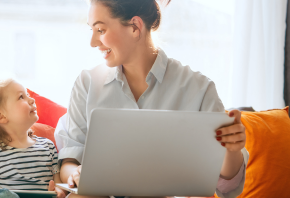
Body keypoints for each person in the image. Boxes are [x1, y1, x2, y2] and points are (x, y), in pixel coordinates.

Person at [55, 0, 249, 198]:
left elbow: (226, 186)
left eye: (100, 30)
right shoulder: (87, 84)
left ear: (135, 27)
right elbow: (69, 160)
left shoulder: (199, 89)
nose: (93, 42)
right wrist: (78, 174)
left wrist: (232, 149)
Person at [0, 78, 67, 198]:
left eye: (27, 95)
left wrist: (59, 192)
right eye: (21, 97)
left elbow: (59, 185)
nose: (32, 99)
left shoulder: (48, 147)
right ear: (0, 116)